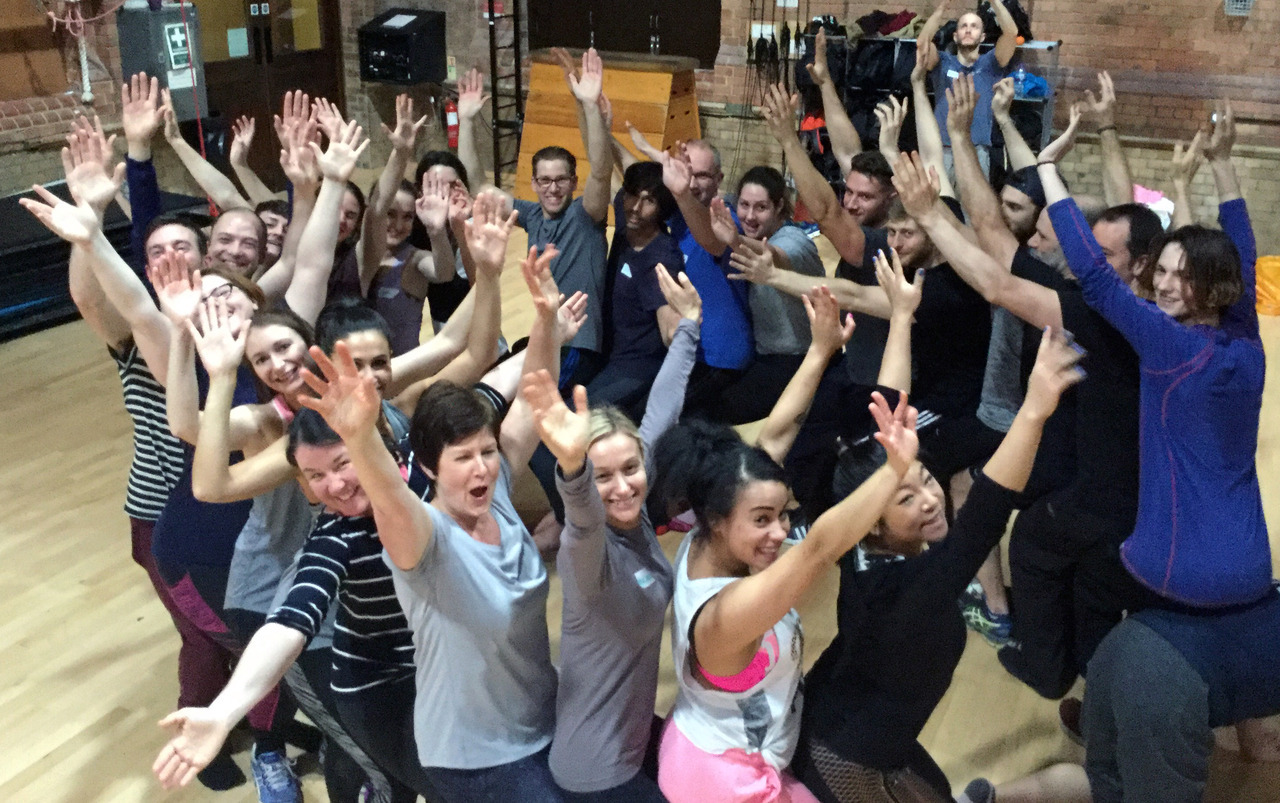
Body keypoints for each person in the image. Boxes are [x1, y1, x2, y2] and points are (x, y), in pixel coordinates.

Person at [791, 252, 1087, 803]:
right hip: (847, 759)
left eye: (927, 481)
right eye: (907, 498)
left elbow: (889, 407)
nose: (931, 500)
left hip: (866, 730)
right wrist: (1034, 411)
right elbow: (988, 510)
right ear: (872, 520)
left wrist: (902, 317)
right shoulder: (911, 587)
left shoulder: (862, 546)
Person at [300, 213, 570, 800]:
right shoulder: (424, 537)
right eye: (461, 459)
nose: (480, 468)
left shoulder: (496, 488)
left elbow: (536, 393)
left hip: (540, 719)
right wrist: (359, 435)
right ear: (427, 469)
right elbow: (388, 493)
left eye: (486, 453)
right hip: (474, 757)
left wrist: (545, 321)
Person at [521, 265, 702, 800]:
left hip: (631, 737)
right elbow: (579, 514)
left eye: (631, 468)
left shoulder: (636, 509)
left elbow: (663, 409)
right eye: (603, 477)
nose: (623, 487)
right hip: (596, 772)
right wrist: (575, 470)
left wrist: (689, 326)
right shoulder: (587, 551)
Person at [459, 53, 612, 386]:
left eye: (561, 180)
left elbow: (601, 171)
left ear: (573, 182)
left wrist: (588, 105)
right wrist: (467, 122)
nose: (553, 189)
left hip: (578, 346)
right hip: (550, 337)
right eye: (545, 180)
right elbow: (475, 185)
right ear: (534, 184)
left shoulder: (586, 215)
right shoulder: (529, 214)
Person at [675, 165, 825, 424]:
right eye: (744, 205)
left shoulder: (794, 238)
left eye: (761, 207)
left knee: (704, 416)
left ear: (779, 207)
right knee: (690, 403)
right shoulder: (742, 232)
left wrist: (734, 241)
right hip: (761, 358)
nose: (750, 216)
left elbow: (774, 256)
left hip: (796, 361)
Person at [917, 0, 1019, 181]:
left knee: (973, 209)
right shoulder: (942, 61)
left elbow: (1011, 34)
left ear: (982, 36)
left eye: (974, 26)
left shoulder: (991, 63)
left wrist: (994, 3)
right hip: (942, 149)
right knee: (940, 206)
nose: (968, 29)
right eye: (963, 26)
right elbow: (922, 43)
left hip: (977, 150)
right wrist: (940, 11)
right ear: (955, 36)